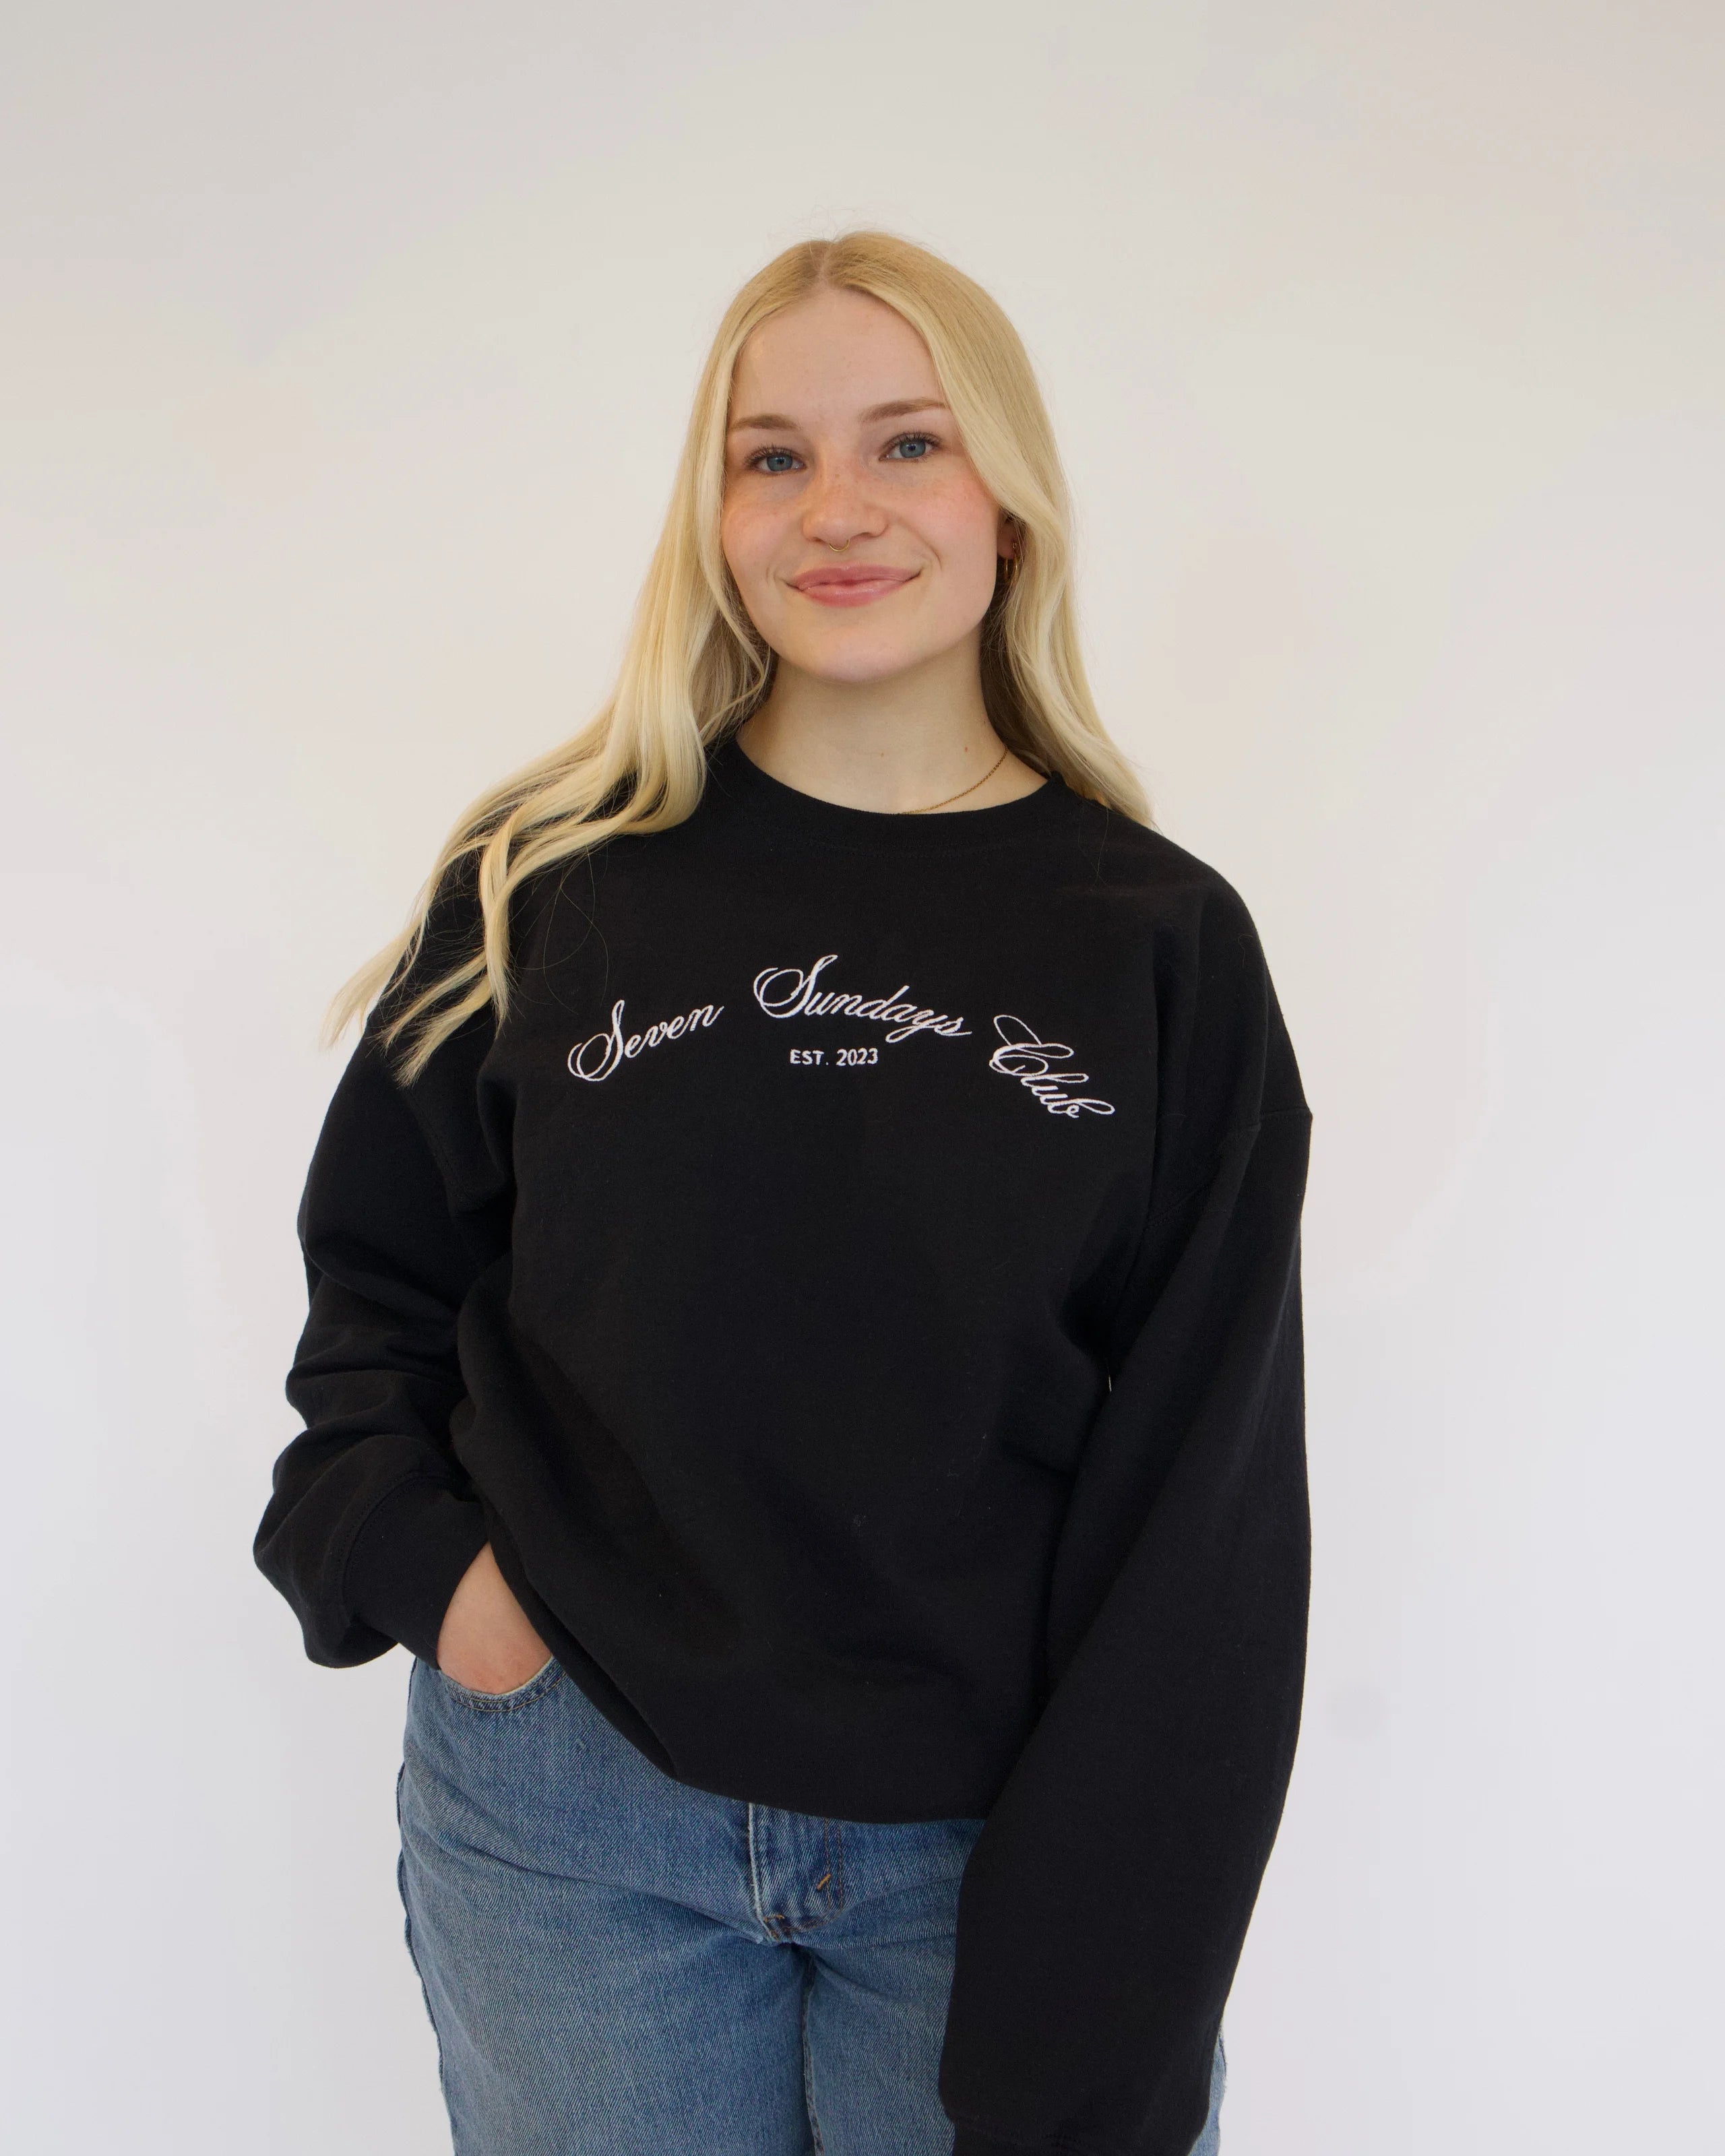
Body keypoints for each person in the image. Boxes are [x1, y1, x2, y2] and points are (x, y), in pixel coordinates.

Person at [255, 229, 1311, 2156]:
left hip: (992, 1841)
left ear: (1008, 496)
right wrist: (440, 1587)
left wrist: (1121, 1929)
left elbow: (1209, 1487)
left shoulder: (1156, 945)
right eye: (773, 456)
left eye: (908, 442)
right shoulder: (549, 884)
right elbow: (377, 1295)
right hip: (572, 1819)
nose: (839, 508)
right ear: (713, 512)